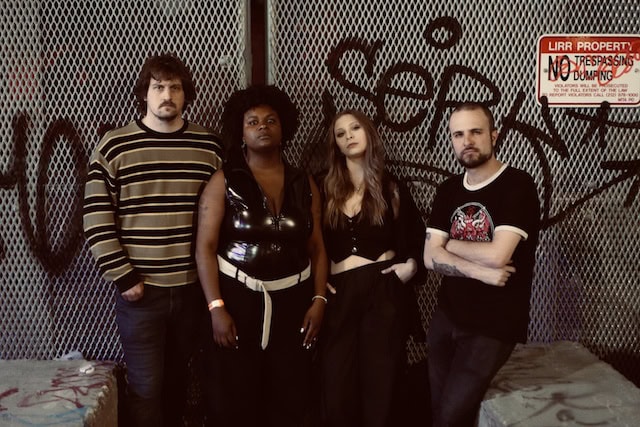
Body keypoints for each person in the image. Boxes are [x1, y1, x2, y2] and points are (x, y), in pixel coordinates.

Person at [83, 53, 223, 426]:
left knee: (179, 384)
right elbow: (96, 217)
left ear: (186, 94)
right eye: (158, 87)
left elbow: (223, 218)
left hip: (193, 291)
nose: (167, 95)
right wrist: (124, 276)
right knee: (145, 388)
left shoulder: (209, 148)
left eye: (175, 88)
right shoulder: (115, 146)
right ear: (144, 93)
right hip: (141, 293)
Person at [195, 84, 328, 427]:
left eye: (271, 120)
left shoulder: (304, 182)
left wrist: (318, 300)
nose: (262, 127)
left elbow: (316, 246)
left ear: (284, 128)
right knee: (235, 396)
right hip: (238, 300)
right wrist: (216, 307)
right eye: (252, 122)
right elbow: (205, 248)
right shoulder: (224, 180)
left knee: (290, 395)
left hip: (293, 301)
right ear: (240, 132)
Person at [423, 102, 540, 426]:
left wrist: (447, 245)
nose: (467, 141)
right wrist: (480, 272)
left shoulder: (517, 184)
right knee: (442, 412)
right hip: (445, 318)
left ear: (494, 135)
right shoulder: (448, 189)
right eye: (458, 134)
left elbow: (498, 255)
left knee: (449, 417)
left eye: (475, 131)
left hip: (493, 326)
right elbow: (428, 257)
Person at [319, 110, 426, 427]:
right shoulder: (322, 186)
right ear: (335, 144)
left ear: (369, 133)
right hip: (339, 293)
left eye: (355, 128)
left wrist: (411, 266)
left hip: (383, 288)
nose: (348, 136)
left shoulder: (390, 186)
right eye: (340, 133)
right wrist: (316, 282)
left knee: (382, 382)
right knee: (336, 383)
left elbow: (416, 236)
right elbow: (308, 242)